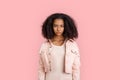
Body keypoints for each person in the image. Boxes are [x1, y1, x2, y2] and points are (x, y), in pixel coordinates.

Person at [38, 13, 81, 80]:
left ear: (66, 27)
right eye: (55, 26)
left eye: (62, 26)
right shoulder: (45, 45)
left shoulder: (72, 45)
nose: (58, 29)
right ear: (50, 27)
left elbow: (76, 69)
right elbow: (41, 69)